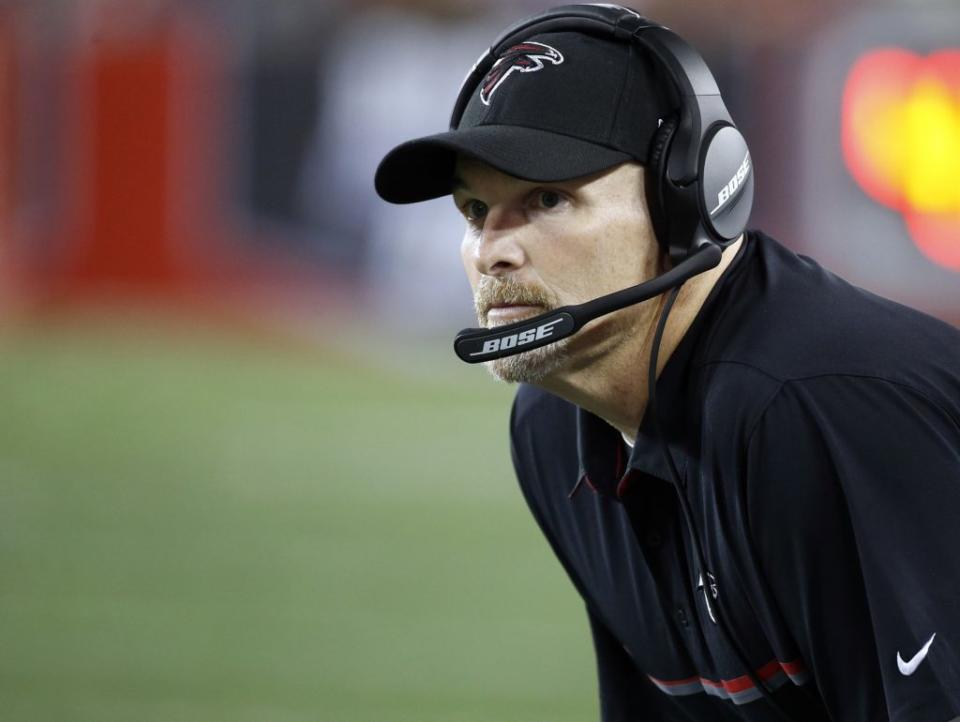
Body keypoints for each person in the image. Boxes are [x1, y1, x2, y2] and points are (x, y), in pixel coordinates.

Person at [374, 5, 960, 721]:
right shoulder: (555, 427)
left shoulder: (817, 407)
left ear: (687, 200)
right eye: (474, 210)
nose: (492, 251)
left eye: (548, 198)